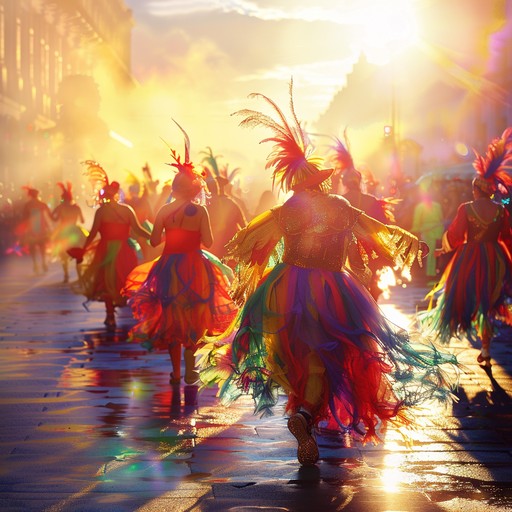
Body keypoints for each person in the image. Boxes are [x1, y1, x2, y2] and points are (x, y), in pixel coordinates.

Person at [198, 82, 458, 466]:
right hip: (333, 288)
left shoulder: (286, 209)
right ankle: (306, 417)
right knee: (330, 354)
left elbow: (252, 245)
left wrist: (252, 284)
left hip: (286, 286)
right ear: (320, 181)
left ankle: (307, 419)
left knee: (300, 355)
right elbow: (374, 228)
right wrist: (411, 242)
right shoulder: (338, 205)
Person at [123, 122, 238, 404]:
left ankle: (175, 372)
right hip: (195, 268)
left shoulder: (164, 210)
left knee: (171, 316)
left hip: (168, 267)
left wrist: (170, 234)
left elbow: (152, 241)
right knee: (195, 315)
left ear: (175, 186)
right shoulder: (199, 211)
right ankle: (190, 371)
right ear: (196, 186)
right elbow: (208, 242)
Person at [419, 129, 512, 367]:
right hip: (495, 258)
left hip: (470, 257)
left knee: (462, 298)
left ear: (476, 189)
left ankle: (476, 340)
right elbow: (507, 237)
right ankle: (487, 348)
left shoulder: (466, 208)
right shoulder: (501, 211)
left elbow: (456, 235)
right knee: (489, 303)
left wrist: (444, 249)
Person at [69, 161, 151, 329]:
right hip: (124, 251)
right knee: (125, 280)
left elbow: (92, 234)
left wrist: (83, 250)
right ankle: (129, 309)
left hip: (105, 250)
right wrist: (155, 236)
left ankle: (110, 315)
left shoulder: (101, 212)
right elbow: (138, 229)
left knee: (106, 282)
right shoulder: (127, 210)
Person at [50, 182, 86, 283]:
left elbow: (54, 218)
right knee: (78, 254)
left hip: (63, 232)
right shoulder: (77, 207)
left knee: (63, 254)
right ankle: (80, 276)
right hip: (75, 232)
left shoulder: (60, 207)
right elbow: (83, 220)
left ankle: (66, 275)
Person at [410, 183, 445, 282]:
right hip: (427, 233)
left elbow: (440, 219)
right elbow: (417, 222)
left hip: (437, 232)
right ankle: (430, 275)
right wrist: (414, 232)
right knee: (430, 253)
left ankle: (432, 274)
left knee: (435, 253)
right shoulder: (420, 207)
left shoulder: (437, 206)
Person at [18, 186, 53, 274]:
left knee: (32, 247)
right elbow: (49, 215)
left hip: (32, 228)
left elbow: (24, 218)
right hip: (41, 228)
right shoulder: (42, 204)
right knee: (42, 246)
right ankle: (43, 262)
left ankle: (35, 264)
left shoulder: (28, 205)